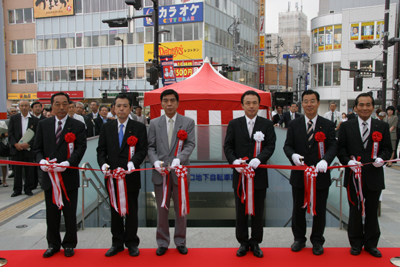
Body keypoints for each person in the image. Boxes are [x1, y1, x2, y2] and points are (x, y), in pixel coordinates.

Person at [283, 90, 337, 256]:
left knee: (320, 209)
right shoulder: (294, 124)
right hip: (300, 175)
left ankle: (317, 241)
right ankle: (299, 239)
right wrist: (293, 156)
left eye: (312, 101)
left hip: (320, 175)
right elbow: (287, 145)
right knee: (298, 208)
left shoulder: (328, 124)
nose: (309, 104)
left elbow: (333, 146)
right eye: (306, 101)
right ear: (302, 104)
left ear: (318, 103)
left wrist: (325, 161)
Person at [33, 92, 87, 258]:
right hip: (50, 177)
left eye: (65, 104)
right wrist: (41, 161)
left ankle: (69, 243)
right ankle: (53, 244)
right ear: (51, 105)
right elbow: (37, 148)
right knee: (52, 212)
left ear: (69, 105)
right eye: (58, 104)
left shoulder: (77, 126)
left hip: (68, 175)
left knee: (70, 213)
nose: (62, 107)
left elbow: (80, 148)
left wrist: (69, 163)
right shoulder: (43, 124)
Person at [337, 93, 391, 258]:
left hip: (374, 176)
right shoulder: (346, 126)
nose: (365, 108)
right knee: (355, 210)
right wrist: (348, 162)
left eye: (368, 105)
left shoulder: (381, 126)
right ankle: (355, 243)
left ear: (373, 107)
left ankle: (371, 244)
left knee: (372, 211)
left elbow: (387, 148)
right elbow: (341, 150)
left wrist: (382, 158)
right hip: (354, 177)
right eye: (361, 105)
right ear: (355, 108)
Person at [224, 90, 276, 258]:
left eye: (254, 103)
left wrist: (259, 159)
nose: (251, 106)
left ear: (259, 105)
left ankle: (255, 243)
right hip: (239, 175)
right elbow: (228, 147)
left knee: (258, 211)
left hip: (258, 175)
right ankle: (242, 242)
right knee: (240, 211)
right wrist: (234, 162)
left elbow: (270, 145)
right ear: (242, 105)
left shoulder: (267, 124)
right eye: (248, 103)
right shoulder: (234, 123)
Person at [97, 94, 148, 257]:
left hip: (130, 176)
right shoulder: (107, 127)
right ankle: (117, 243)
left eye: (125, 106)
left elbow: (142, 150)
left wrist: (134, 162)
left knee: (132, 211)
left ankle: (132, 242)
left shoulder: (138, 127)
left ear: (130, 108)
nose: (121, 109)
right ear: (113, 108)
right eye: (118, 105)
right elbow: (101, 150)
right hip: (112, 177)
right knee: (115, 210)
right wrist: (103, 164)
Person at [147, 89, 195, 256]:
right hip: (160, 174)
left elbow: (190, 144)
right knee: (162, 209)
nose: (169, 104)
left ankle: (180, 241)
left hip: (180, 173)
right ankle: (162, 242)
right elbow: (150, 147)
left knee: (181, 210)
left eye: (172, 100)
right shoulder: (153, 123)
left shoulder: (188, 122)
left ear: (177, 102)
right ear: (161, 103)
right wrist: (154, 162)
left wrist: (179, 158)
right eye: (165, 100)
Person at [8, 100, 39, 197]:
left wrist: (29, 144)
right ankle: (17, 190)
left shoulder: (35, 120)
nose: (24, 107)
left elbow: (37, 136)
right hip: (17, 149)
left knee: (29, 170)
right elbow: (10, 134)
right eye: (22, 106)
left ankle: (28, 189)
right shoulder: (13, 118)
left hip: (28, 149)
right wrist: (15, 144)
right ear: (19, 107)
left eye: (26, 105)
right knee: (17, 170)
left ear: (29, 107)